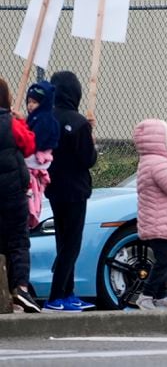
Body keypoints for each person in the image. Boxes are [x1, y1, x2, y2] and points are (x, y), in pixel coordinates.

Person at [44, 71, 98, 312]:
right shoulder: (78, 123)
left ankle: (68, 292)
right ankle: (57, 295)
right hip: (75, 189)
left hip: (53, 186)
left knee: (62, 240)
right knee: (72, 242)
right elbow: (88, 158)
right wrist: (89, 134)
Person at [133, 119, 167, 310]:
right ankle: (146, 295)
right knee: (165, 261)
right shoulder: (157, 162)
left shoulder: (150, 161)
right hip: (158, 221)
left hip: (158, 219)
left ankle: (161, 296)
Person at [0, 78, 39, 313]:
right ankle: (20, 289)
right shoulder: (11, 123)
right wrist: (20, 121)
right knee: (18, 241)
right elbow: (30, 146)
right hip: (13, 192)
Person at [24, 81, 60, 229]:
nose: (30, 105)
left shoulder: (44, 119)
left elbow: (35, 141)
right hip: (33, 162)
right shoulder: (35, 118)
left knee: (33, 194)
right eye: (29, 102)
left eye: (35, 102)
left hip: (36, 161)